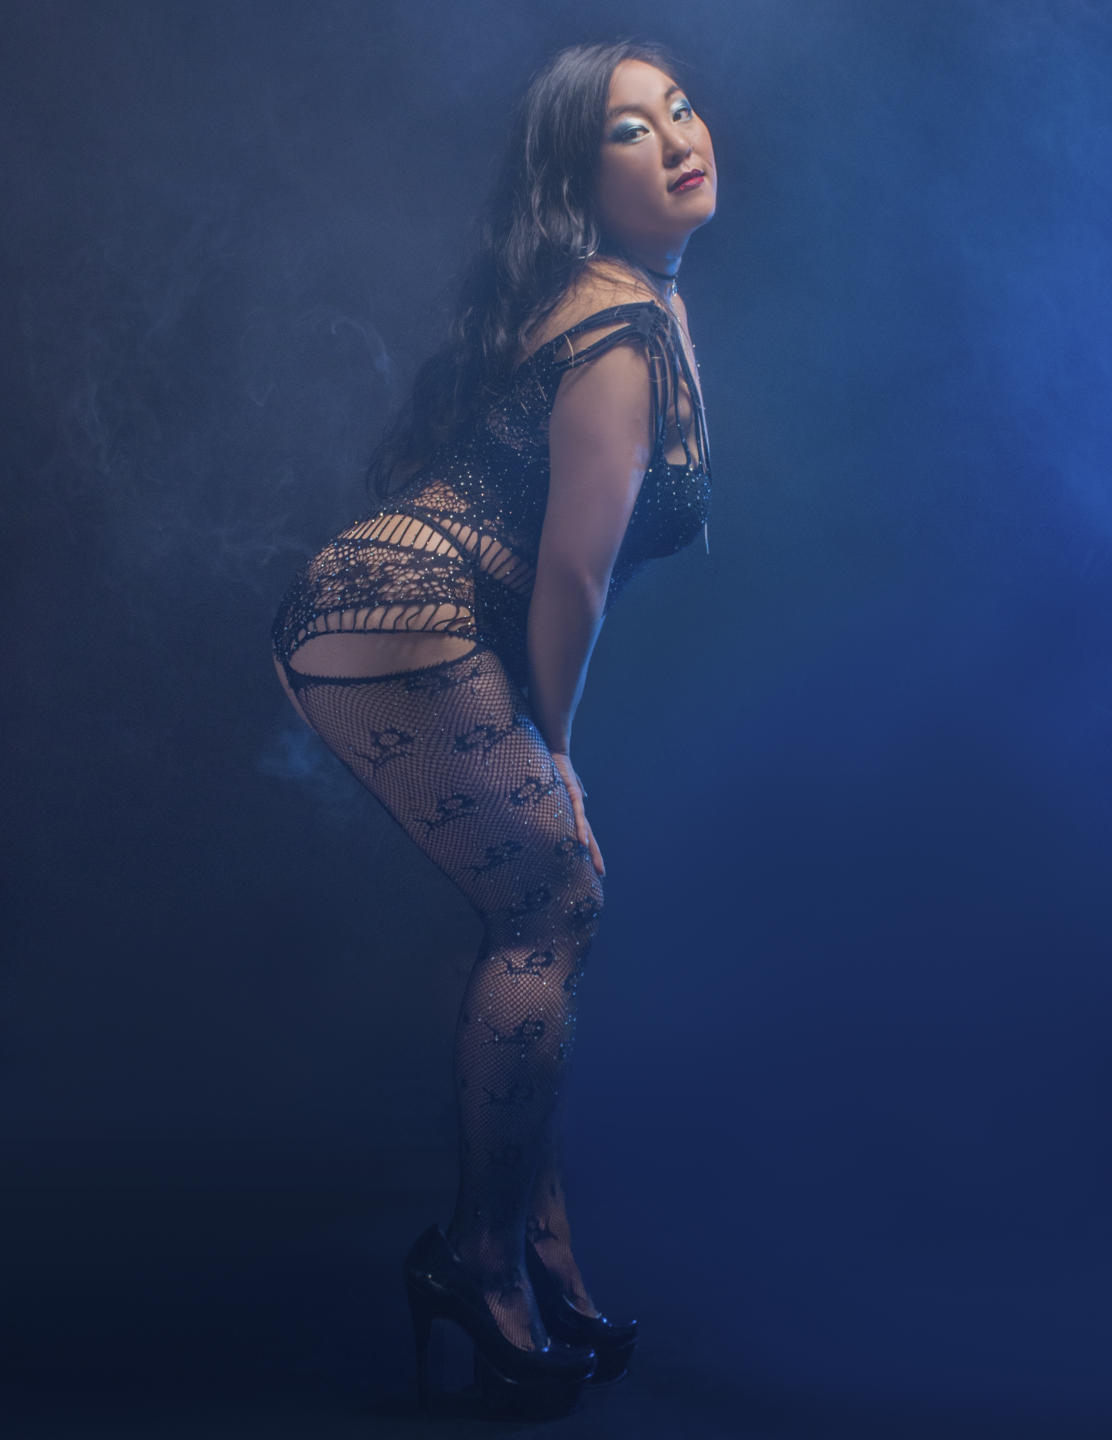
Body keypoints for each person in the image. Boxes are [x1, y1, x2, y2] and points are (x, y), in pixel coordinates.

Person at [270, 38, 716, 1418]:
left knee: (532, 915)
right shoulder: (622, 327)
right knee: (555, 901)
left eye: (680, 108)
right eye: (632, 129)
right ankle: (478, 1258)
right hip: (404, 603)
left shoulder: (623, 300)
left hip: (384, 607)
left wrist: (540, 735)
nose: (679, 138)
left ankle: (534, 1251)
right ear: (579, 179)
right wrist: (559, 754)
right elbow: (572, 572)